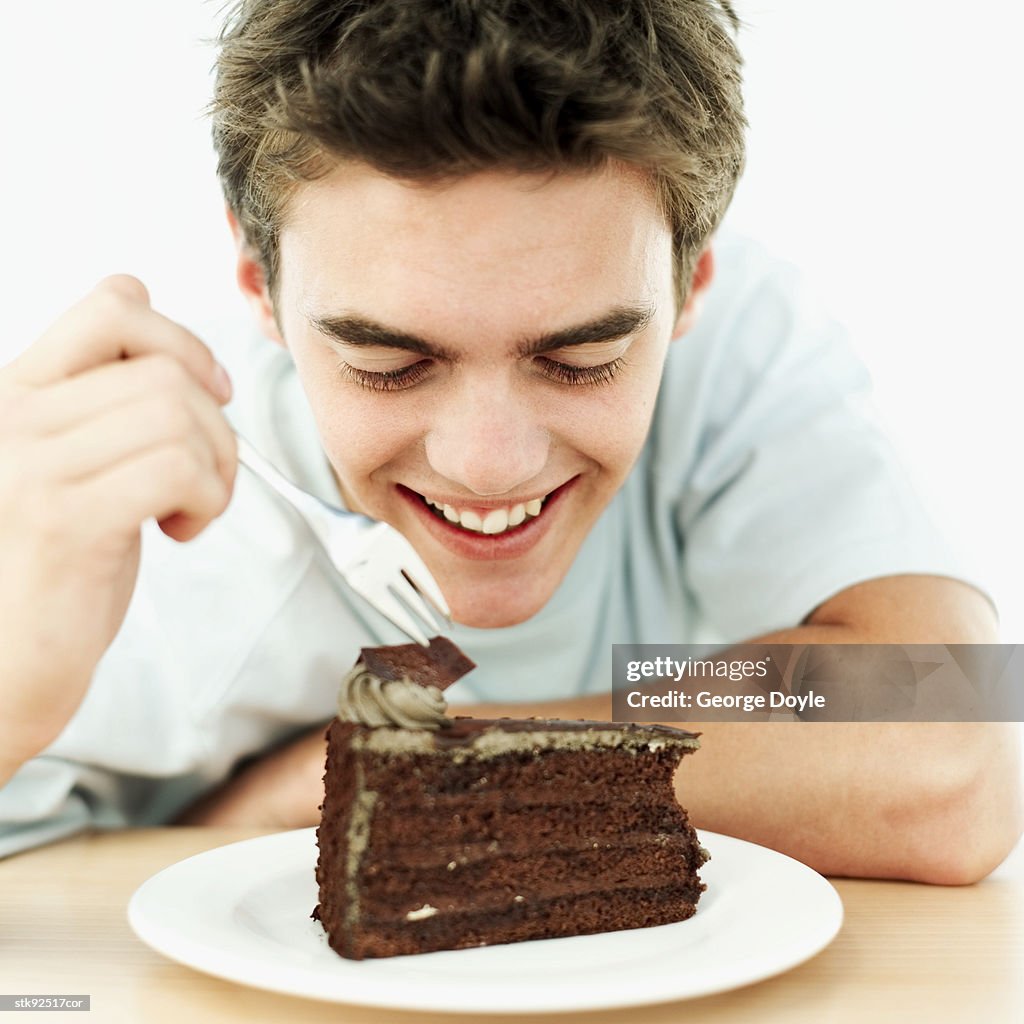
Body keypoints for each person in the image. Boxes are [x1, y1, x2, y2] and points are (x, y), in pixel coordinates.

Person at [0, 0, 1019, 879]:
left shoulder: (730, 354)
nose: (488, 462)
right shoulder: (140, 534)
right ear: (259, 285)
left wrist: (378, 771)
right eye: (389, 362)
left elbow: (951, 744)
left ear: (690, 280)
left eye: (581, 358)